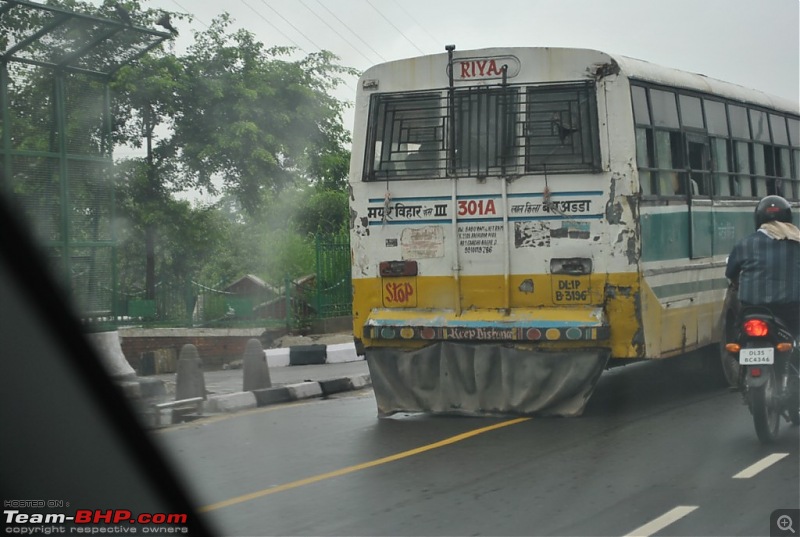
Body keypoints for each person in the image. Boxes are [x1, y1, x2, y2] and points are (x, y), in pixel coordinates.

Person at [725, 195, 800, 337]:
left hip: (752, 310)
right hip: (791, 310)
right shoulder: (796, 243)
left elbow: (730, 274)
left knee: (738, 336)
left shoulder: (745, 244)